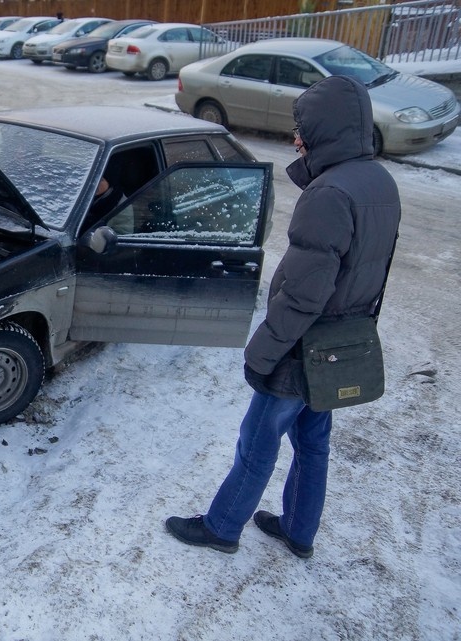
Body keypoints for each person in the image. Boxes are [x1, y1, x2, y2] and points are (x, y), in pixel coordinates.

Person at [165, 75, 401, 558]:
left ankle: (222, 526)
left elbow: (303, 294)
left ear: (328, 129)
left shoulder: (329, 194)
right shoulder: (378, 181)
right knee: (313, 440)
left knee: (258, 438)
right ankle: (298, 530)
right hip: (341, 342)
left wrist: (264, 352)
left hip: (302, 345)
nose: (297, 138)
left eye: (303, 128)